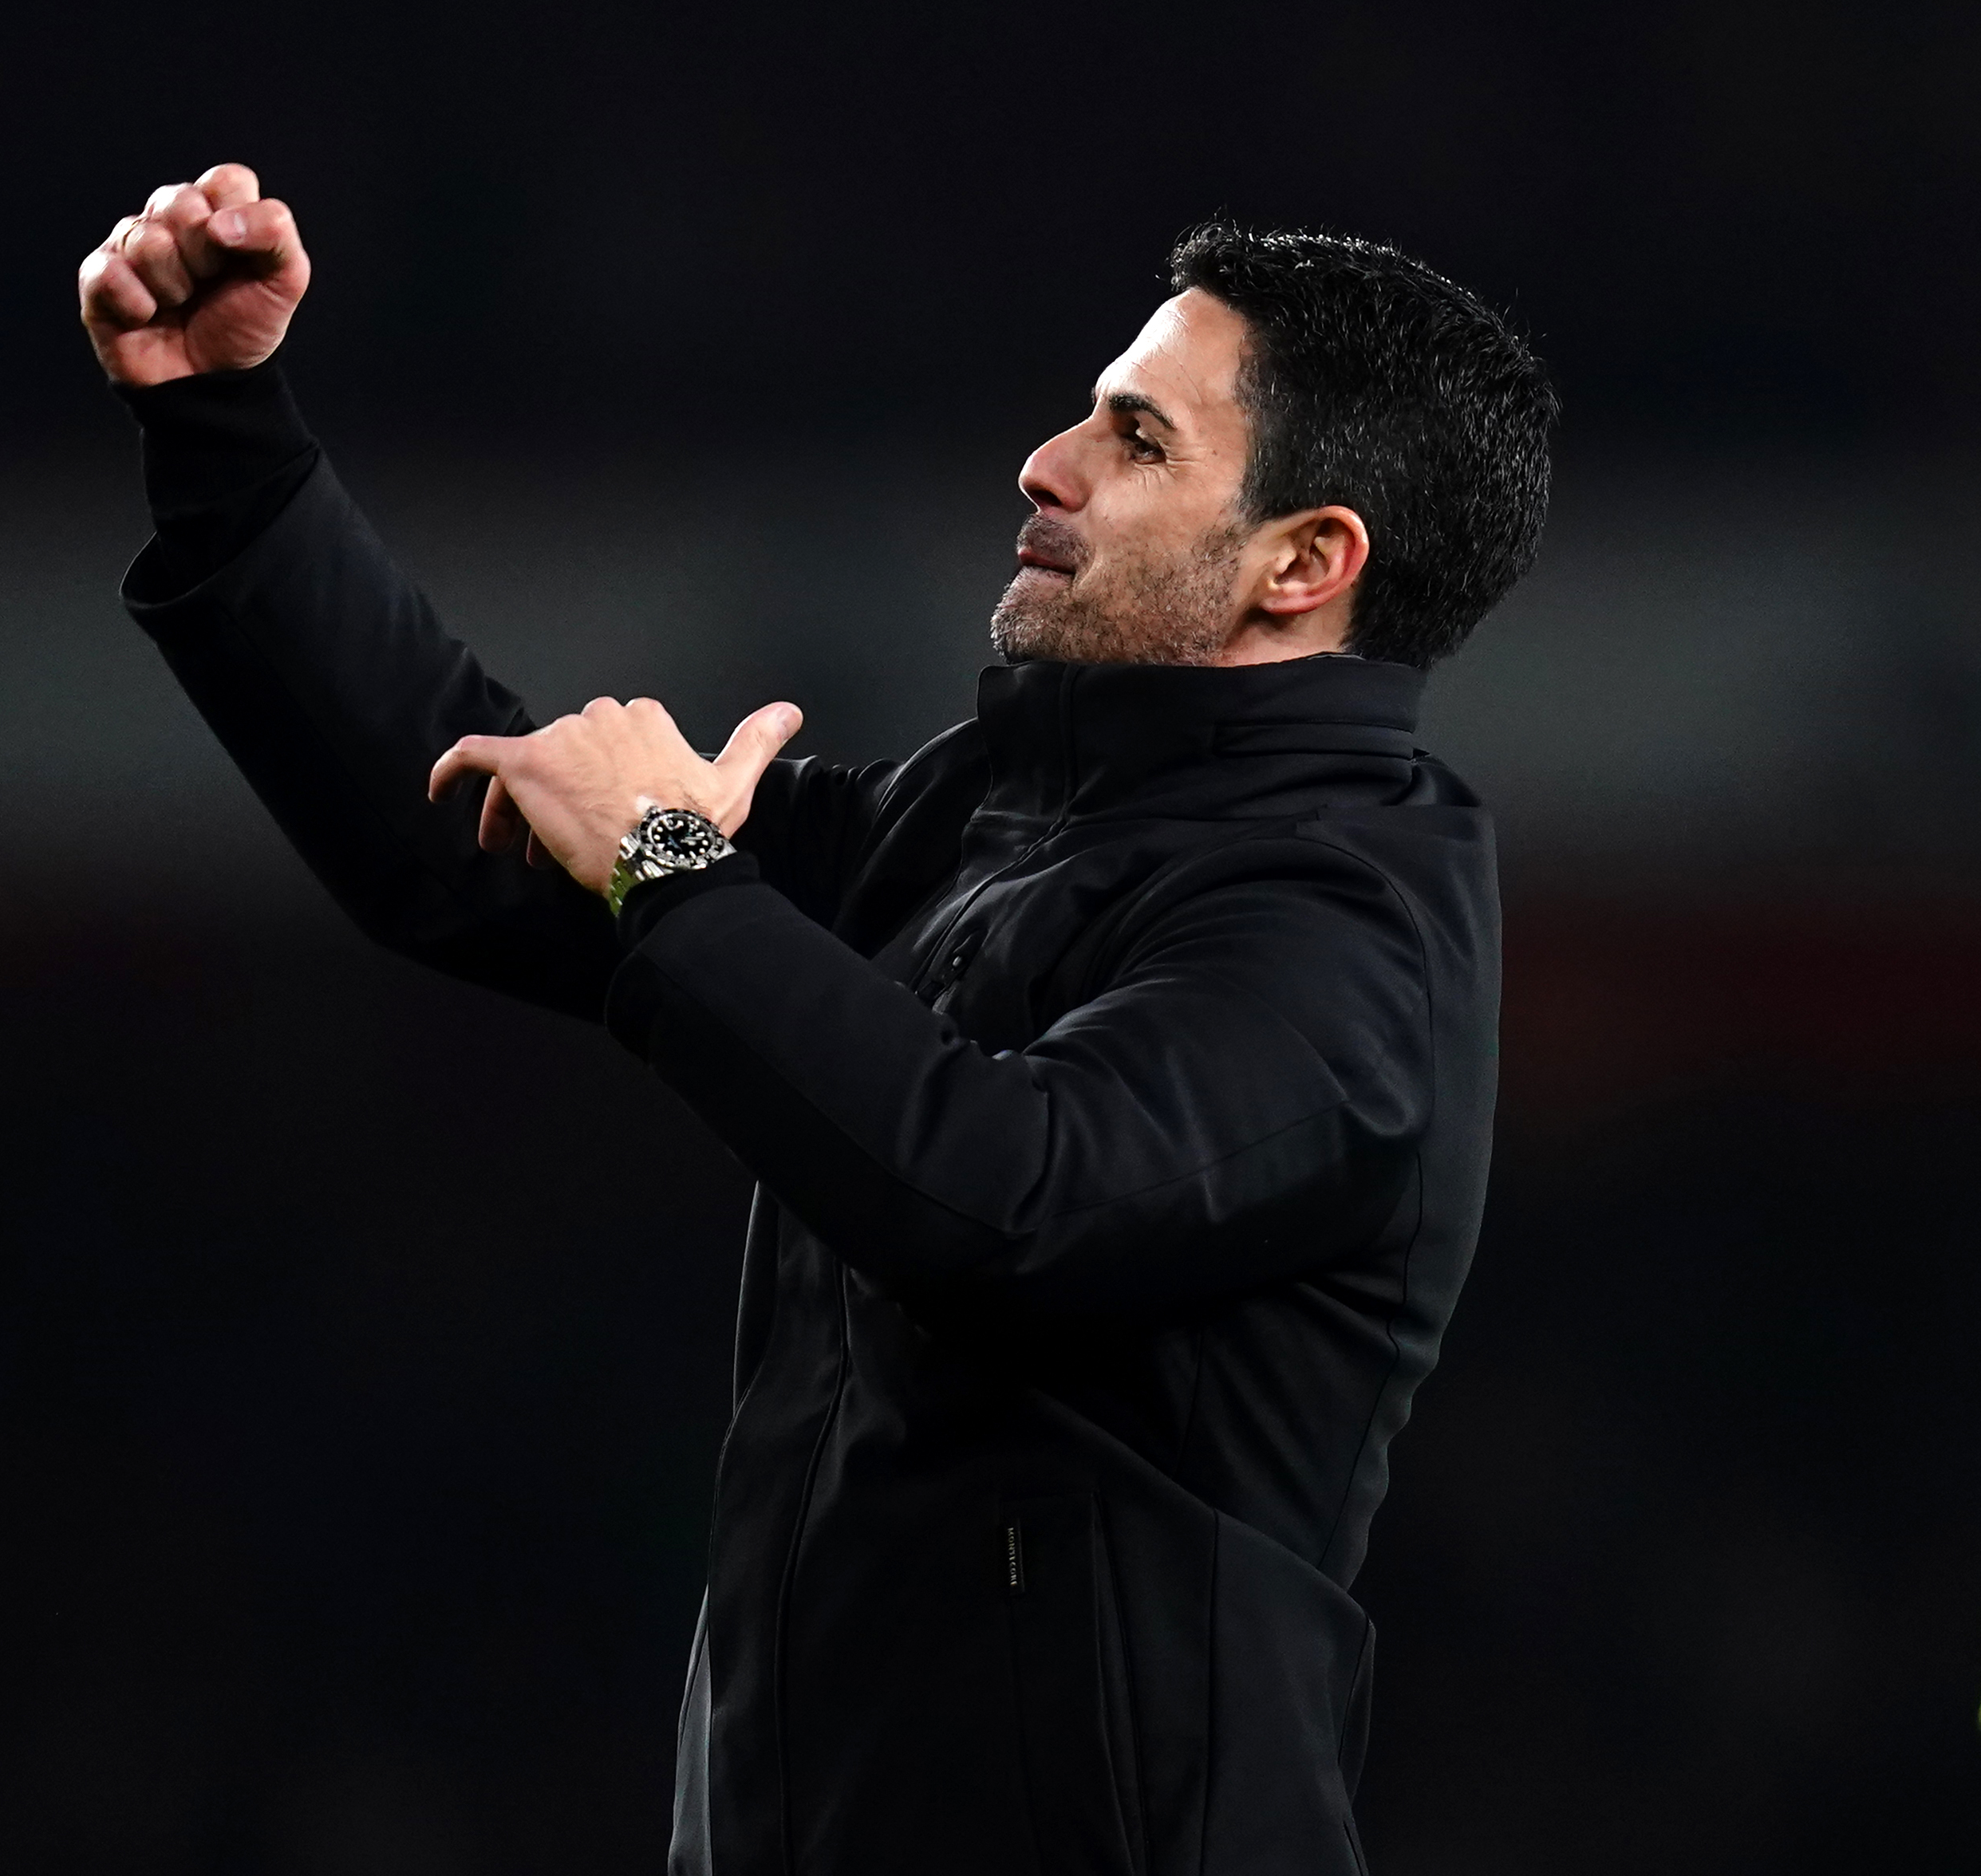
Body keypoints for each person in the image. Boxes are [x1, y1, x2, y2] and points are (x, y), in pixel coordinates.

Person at [81, 163, 1554, 1875]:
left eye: (1138, 440)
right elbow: (479, 840)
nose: (1049, 463)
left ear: (1306, 560)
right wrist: (225, 438)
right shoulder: (987, 819)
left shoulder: (1347, 926)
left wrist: (669, 864)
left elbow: (1007, 1194)